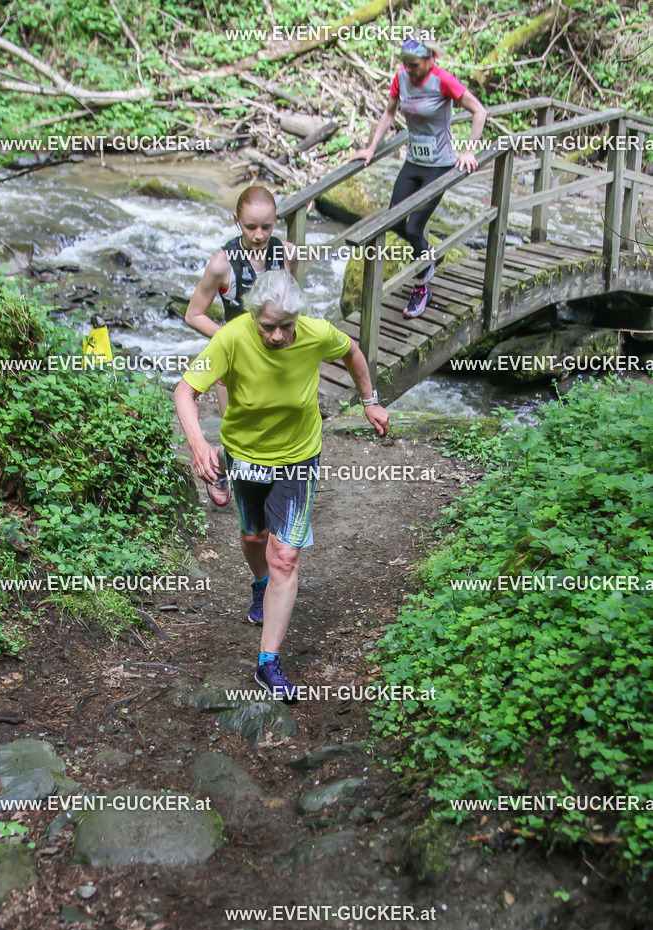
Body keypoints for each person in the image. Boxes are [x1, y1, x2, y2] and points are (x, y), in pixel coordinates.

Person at [174, 270, 389, 703]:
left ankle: (267, 662)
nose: (276, 335)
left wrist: (370, 400)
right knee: (253, 536)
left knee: (285, 557)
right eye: (267, 326)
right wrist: (199, 445)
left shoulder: (315, 333)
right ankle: (258, 584)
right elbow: (184, 390)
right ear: (254, 316)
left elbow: (352, 352)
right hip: (246, 456)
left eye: (285, 326)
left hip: (297, 457)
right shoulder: (231, 337)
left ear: (297, 318)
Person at [184, 185, 299, 505]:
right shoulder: (222, 263)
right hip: (234, 363)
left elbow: (292, 301)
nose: (260, 235)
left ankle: (275, 488)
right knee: (239, 435)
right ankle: (221, 467)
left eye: (267, 226)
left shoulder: (287, 253)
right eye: (251, 227)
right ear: (236, 220)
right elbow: (193, 314)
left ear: (276, 220)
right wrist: (230, 337)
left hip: (278, 358)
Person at [355, 39, 486, 318]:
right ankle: (430, 253)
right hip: (414, 161)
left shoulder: (443, 80)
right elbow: (389, 112)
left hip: (439, 165)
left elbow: (480, 111)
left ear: (430, 59)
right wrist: (371, 148)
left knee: (414, 228)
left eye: (414, 65)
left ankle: (421, 286)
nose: (410, 70)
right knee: (393, 218)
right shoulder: (401, 78)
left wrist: (469, 150)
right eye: (406, 65)